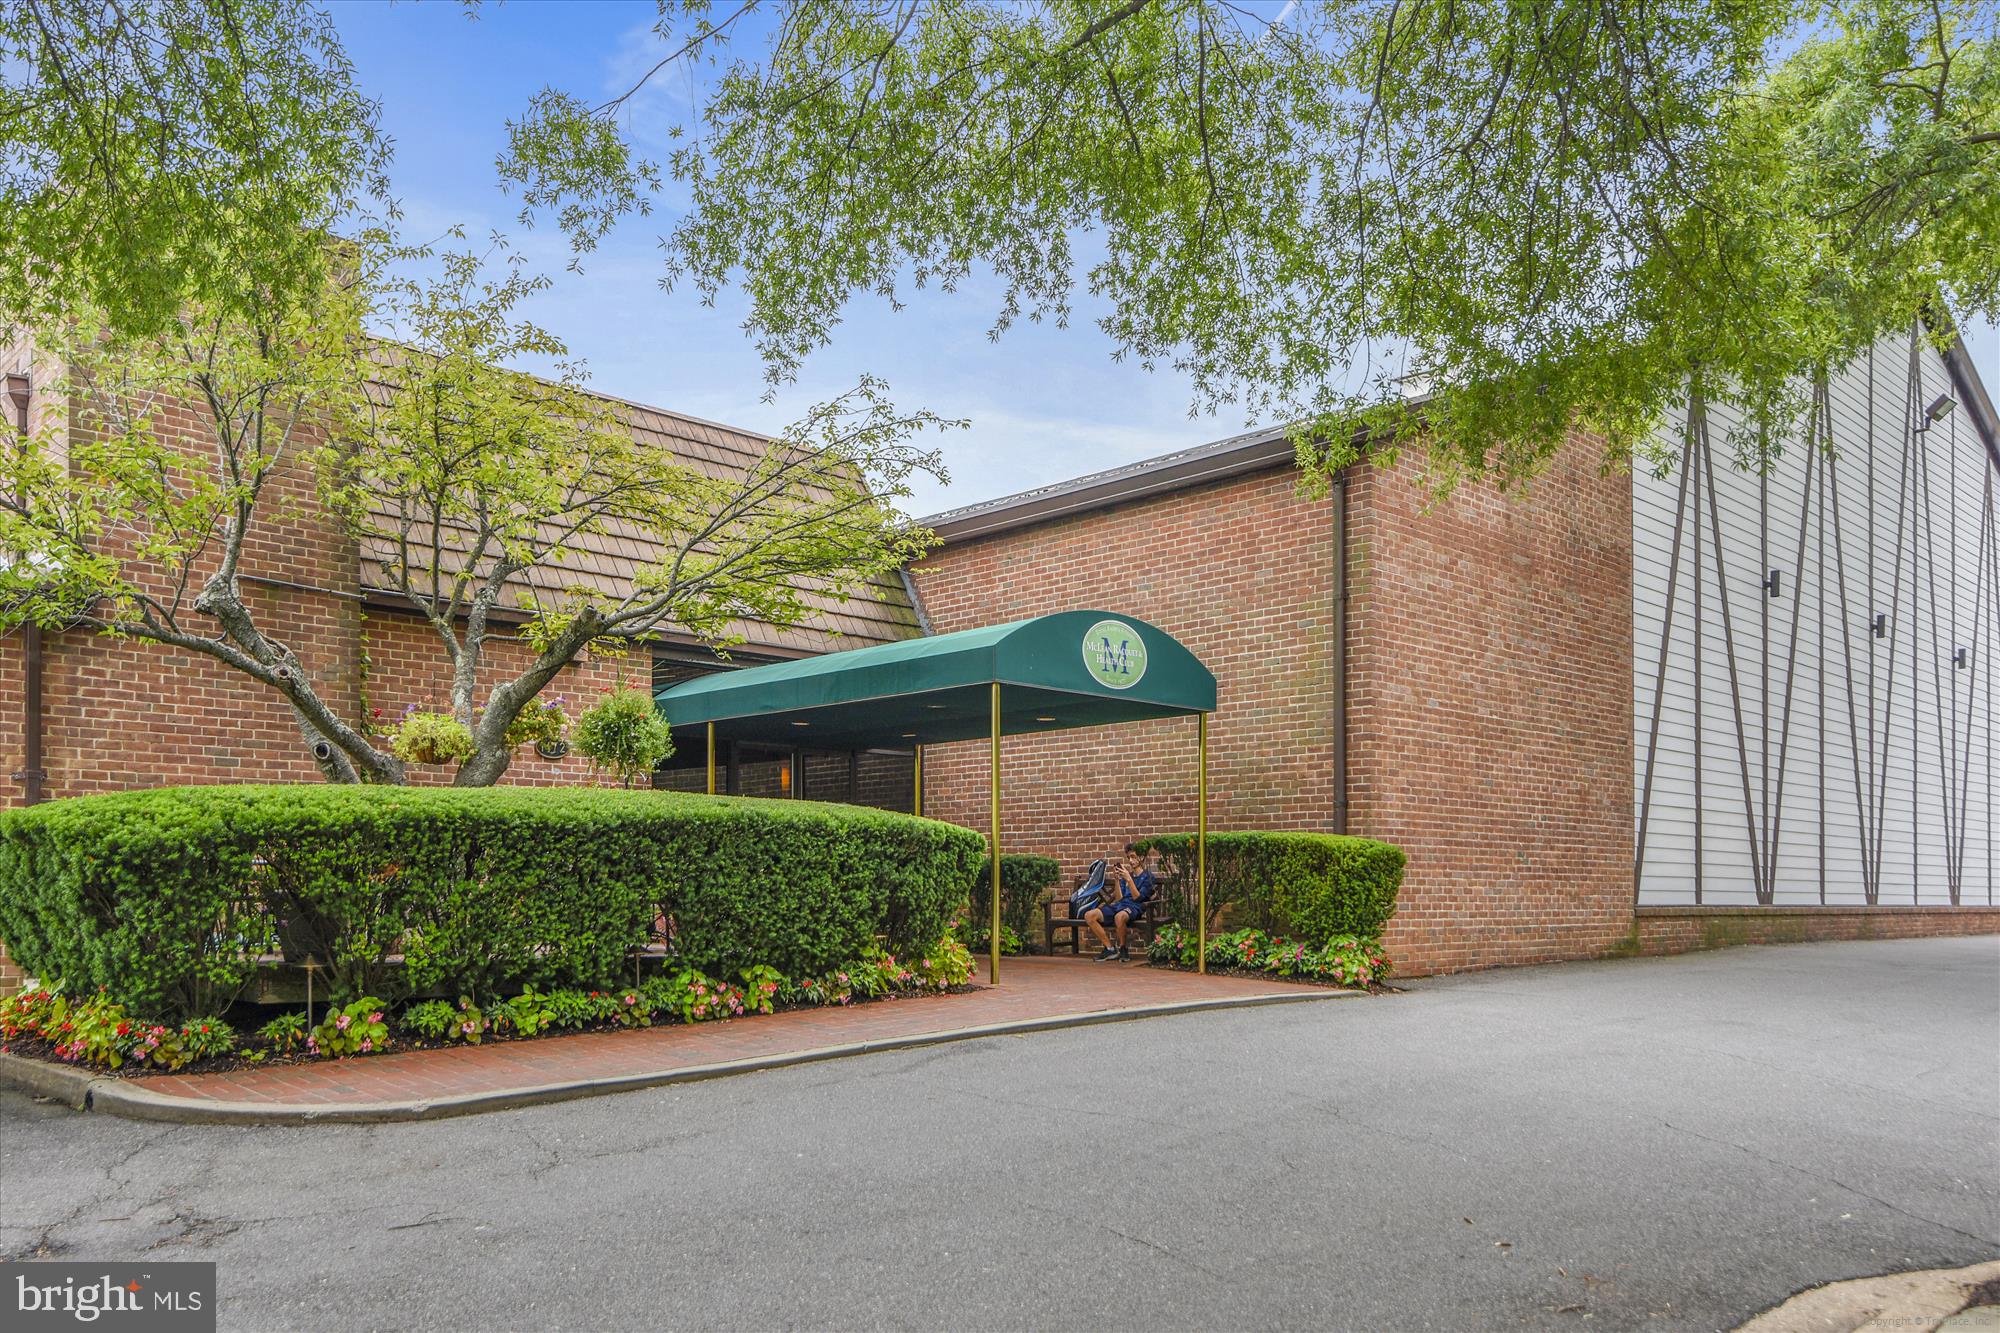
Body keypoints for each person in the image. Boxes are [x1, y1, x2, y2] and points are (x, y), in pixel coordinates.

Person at [1084, 851, 1157, 961]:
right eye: (1129, 858)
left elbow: (1138, 898)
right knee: (1090, 915)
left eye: (1133, 857)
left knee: (1119, 916)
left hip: (1134, 907)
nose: (1131, 861)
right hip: (1119, 906)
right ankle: (1109, 949)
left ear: (1141, 858)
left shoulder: (1148, 877)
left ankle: (1123, 949)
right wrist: (1117, 880)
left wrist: (1129, 879)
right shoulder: (1125, 876)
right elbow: (1119, 898)